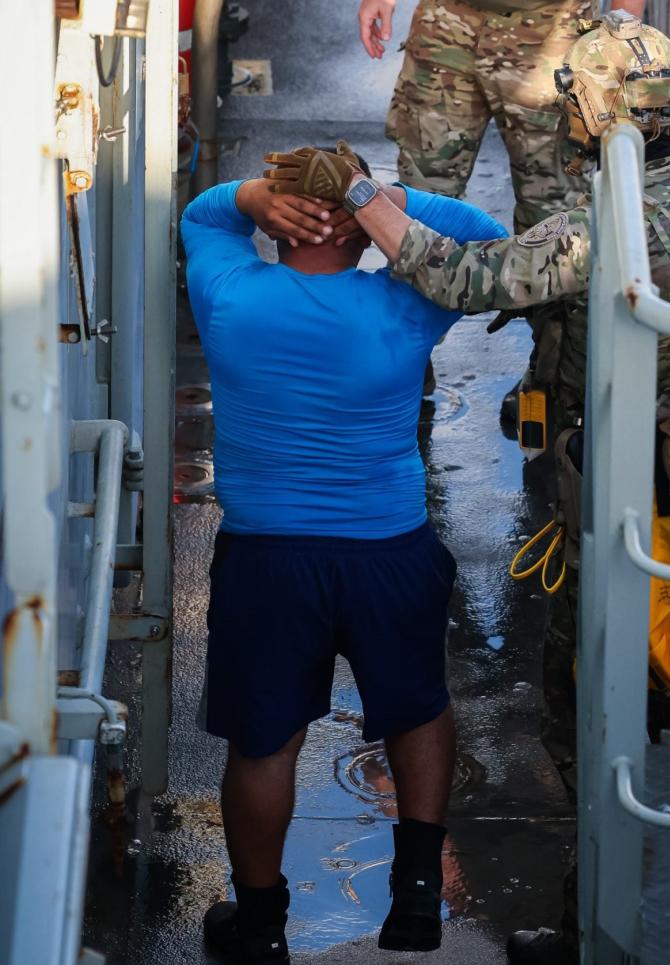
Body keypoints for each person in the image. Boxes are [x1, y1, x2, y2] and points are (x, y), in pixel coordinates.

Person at [261, 13, 670, 963]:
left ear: (590, 112)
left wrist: (360, 193)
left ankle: (613, 922)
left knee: (597, 692)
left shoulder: (601, 224)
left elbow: (464, 277)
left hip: (640, 482)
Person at [180, 149, 507, 963]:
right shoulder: (406, 301)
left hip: (268, 557)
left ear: (280, 222)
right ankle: (417, 901)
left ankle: (259, 926)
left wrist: (252, 195)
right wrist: (381, 198)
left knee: (264, 742)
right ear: (361, 232)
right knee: (417, 707)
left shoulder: (229, 297)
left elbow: (203, 216)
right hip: (387, 551)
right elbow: (484, 237)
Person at [358, 0, 645, 404]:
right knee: (420, 201)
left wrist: (624, 27)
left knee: (556, 222)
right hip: (447, 22)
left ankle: (553, 384)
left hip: (552, 30)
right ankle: (407, 371)